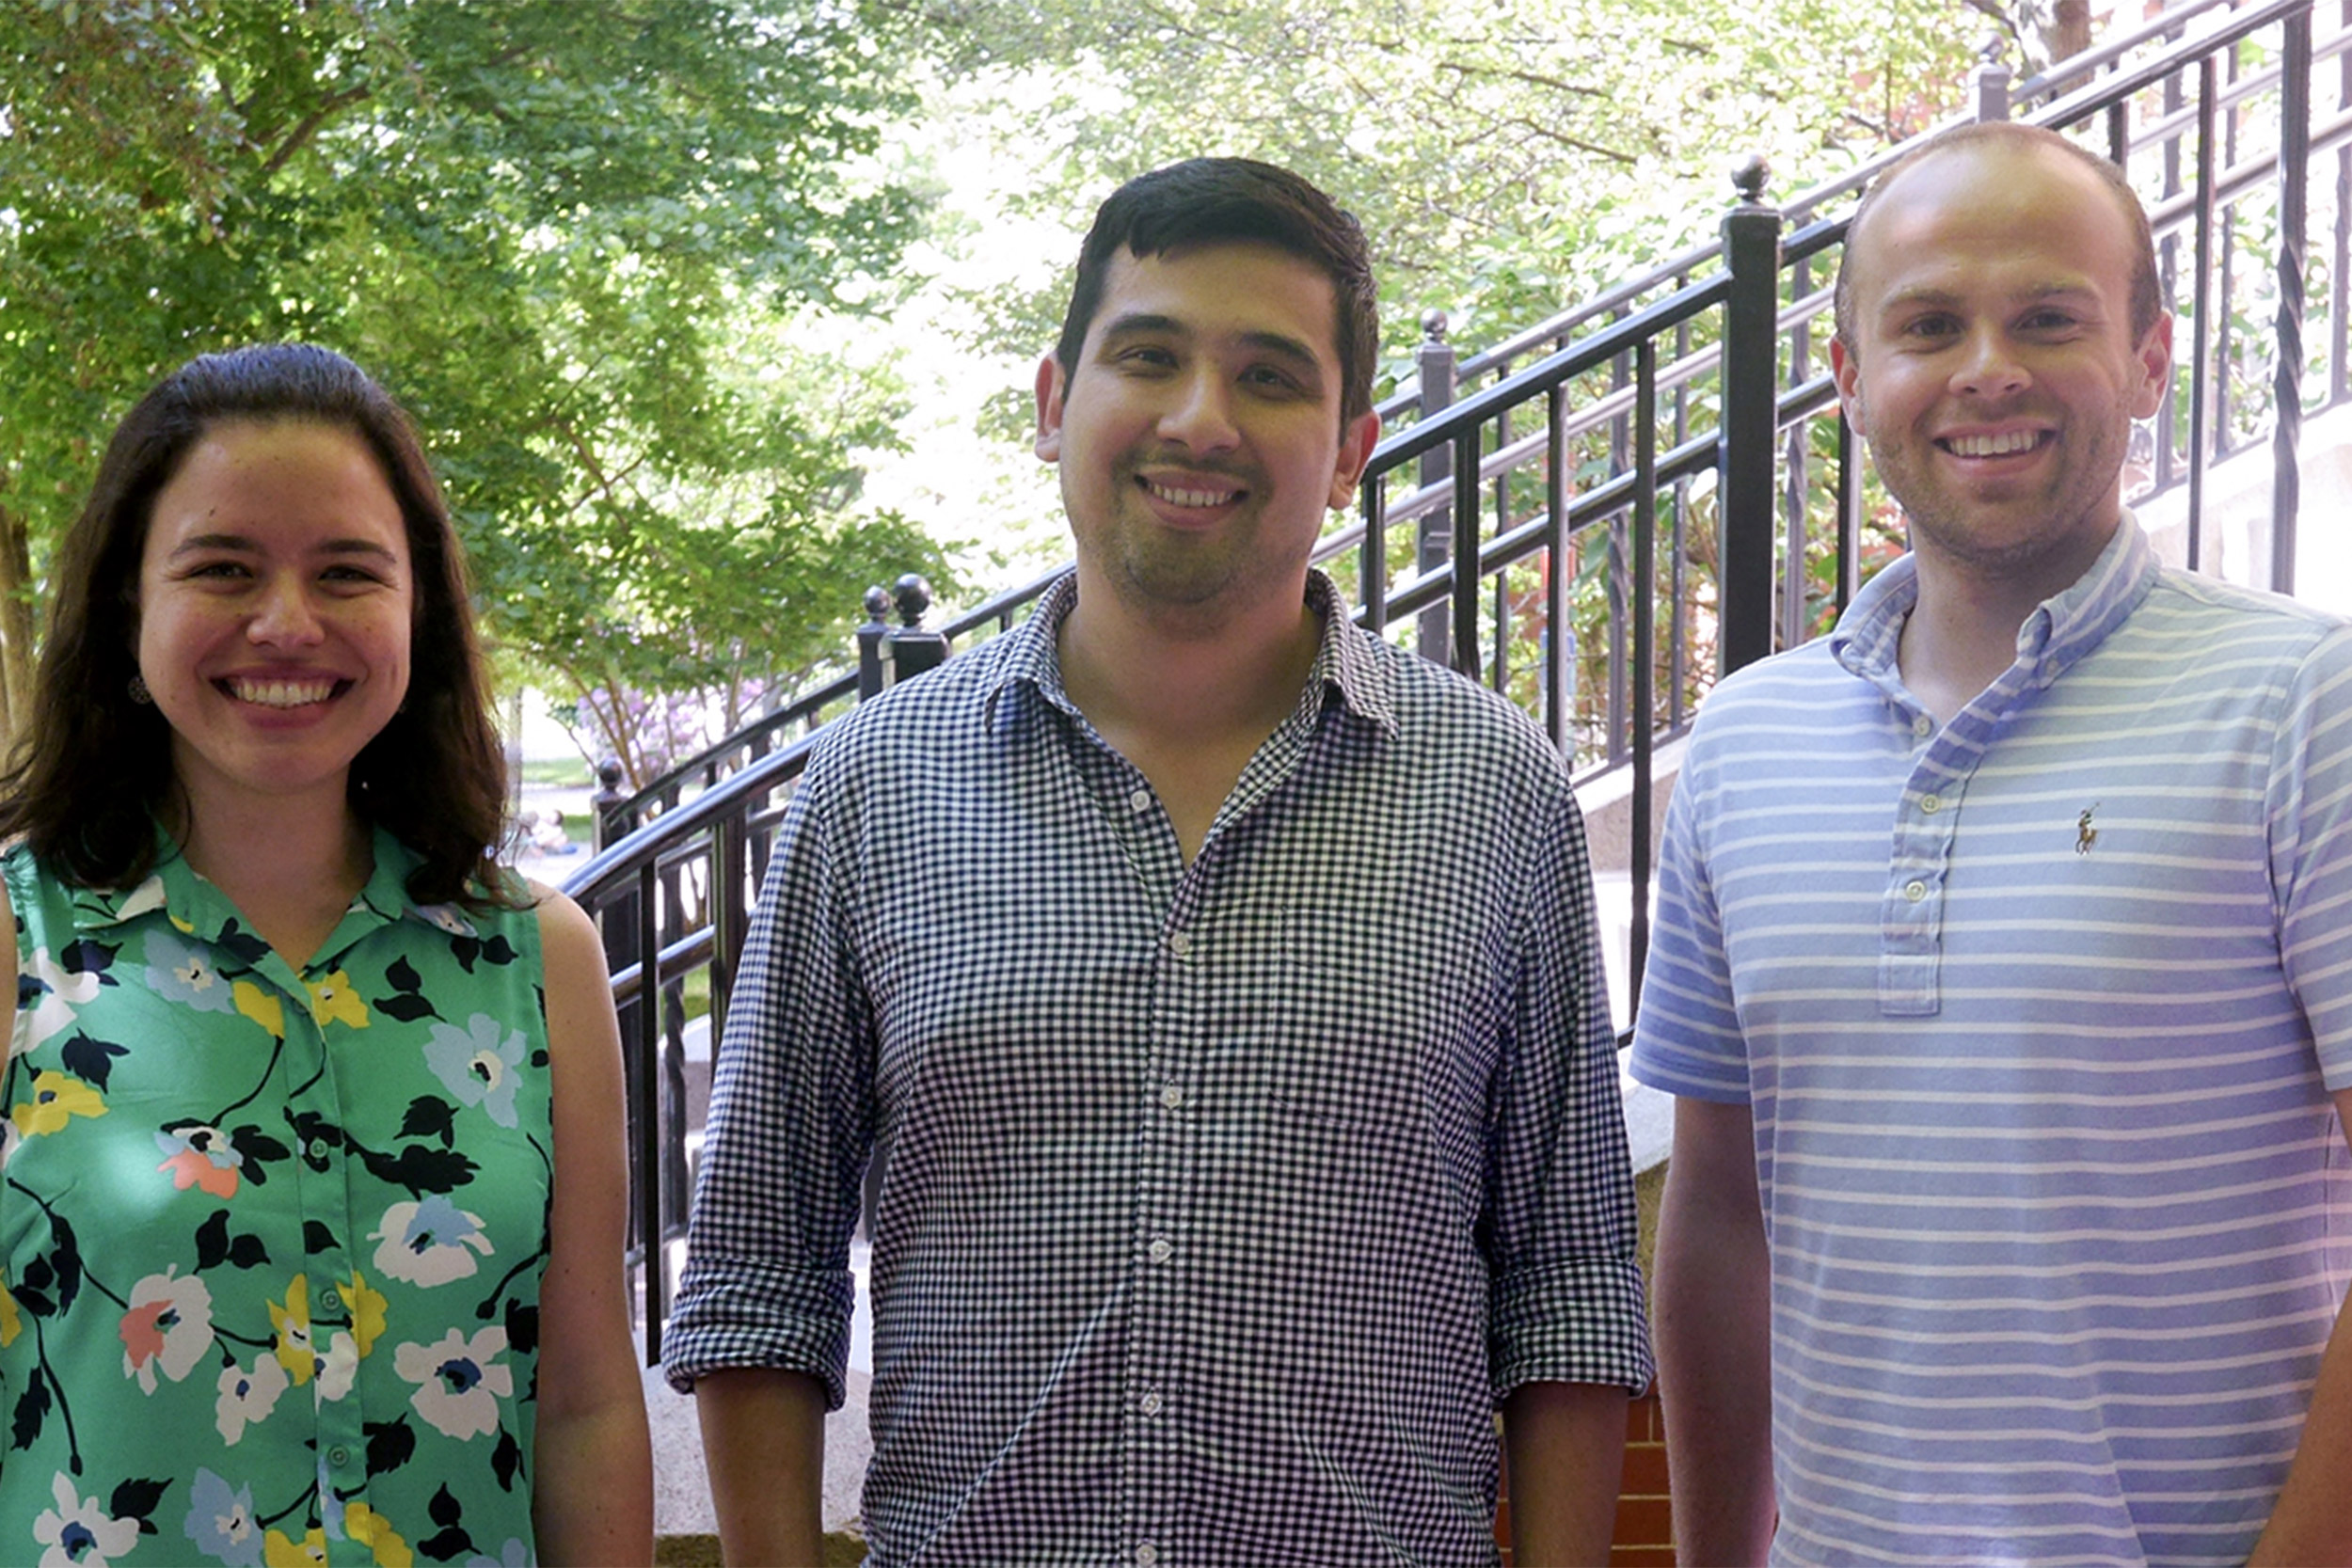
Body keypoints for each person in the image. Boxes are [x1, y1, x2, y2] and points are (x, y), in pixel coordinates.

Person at [668, 157, 1653, 1565]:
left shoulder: (1496, 792)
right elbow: (763, 1268)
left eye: (1270, 375)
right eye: (1152, 357)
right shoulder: (874, 786)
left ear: (1353, 443)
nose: (1202, 420)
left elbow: (1565, 1291)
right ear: (1055, 398)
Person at [1632, 120, 2352, 1563]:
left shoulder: (2304, 704)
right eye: (1928, 326)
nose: (1987, 371)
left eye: (2047, 318)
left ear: (2150, 360)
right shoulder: (1744, 743)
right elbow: (1719, 1211)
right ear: (1848, 381)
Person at [0, 344, 653, 1564]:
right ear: (125, 612)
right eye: (223, 568)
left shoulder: (537, 959)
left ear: (419, 619)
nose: (287, 622)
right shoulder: (14, 943)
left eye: (348, 572)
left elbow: (583, 1401)